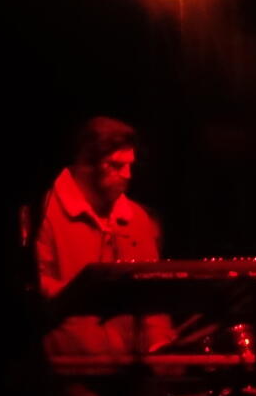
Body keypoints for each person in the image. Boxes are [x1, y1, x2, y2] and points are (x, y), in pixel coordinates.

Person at [36, 116, 166, 359]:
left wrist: (162, 352)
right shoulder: (44, 214)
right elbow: (37, 288)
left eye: (130, 165)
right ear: (86, 164)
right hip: (67, 368)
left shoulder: (136, 218)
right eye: (115, 165)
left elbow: (153, 299)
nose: (127, 175)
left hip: (130, 369)